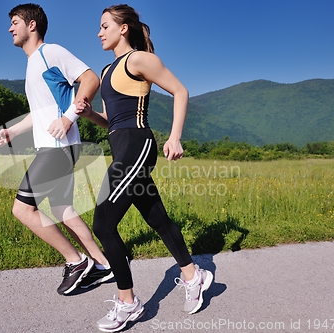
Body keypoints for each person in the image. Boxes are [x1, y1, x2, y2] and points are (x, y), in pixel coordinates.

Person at [76, 4, 213, 331]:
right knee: (158, 218)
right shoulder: (108, 72)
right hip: (121, 147)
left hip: (138, 146)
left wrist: (175, 137)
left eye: (105, 26)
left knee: (103, 223)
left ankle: (128, 303)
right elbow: (111, 121)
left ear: (123, 28)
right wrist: (89, 114)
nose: (99, 32)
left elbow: (180, 90)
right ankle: (195, 275)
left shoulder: (138, 59)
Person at [0, 3, 113, 295]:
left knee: (22, 209)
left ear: (31, 25)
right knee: (62, 209)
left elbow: (90, 79)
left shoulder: (51, 53)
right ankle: (103, 264)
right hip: (55, 147)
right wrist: (13, 130)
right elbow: (40, 111)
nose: (10, 28)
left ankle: (76, 261)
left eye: (14, 22)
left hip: (58, 148)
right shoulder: (33, 63)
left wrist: (68, 117)